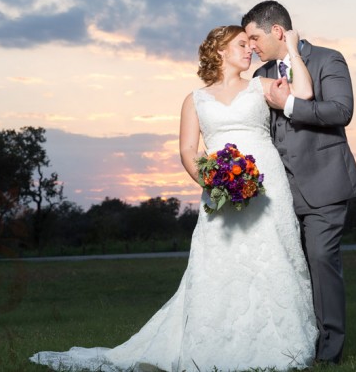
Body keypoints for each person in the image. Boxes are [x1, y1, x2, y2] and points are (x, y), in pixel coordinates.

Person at [29, 25, 318, 371]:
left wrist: (294, 51)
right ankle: (215, 345)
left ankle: (281, 344)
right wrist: (214, 183)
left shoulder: (260, 86)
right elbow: (187, 150)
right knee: (220, 264)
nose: (250, 50)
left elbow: (303, 93)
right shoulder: (194, 99)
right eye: (241, 44)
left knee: (274, 257)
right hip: (219, 191)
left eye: (250, 44)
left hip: (266, 184)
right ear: (220, 51)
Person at [242, 0, 356, 364]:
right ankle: (294, 342)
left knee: (321, 260)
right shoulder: (259, 74)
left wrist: (290, 105)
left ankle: (329, 352)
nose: (250, 46)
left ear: (277, 31)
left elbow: (341, 111)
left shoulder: (328, 59)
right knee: (288, 268)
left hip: (324, 183)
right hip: (278, 191)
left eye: (254, 37)